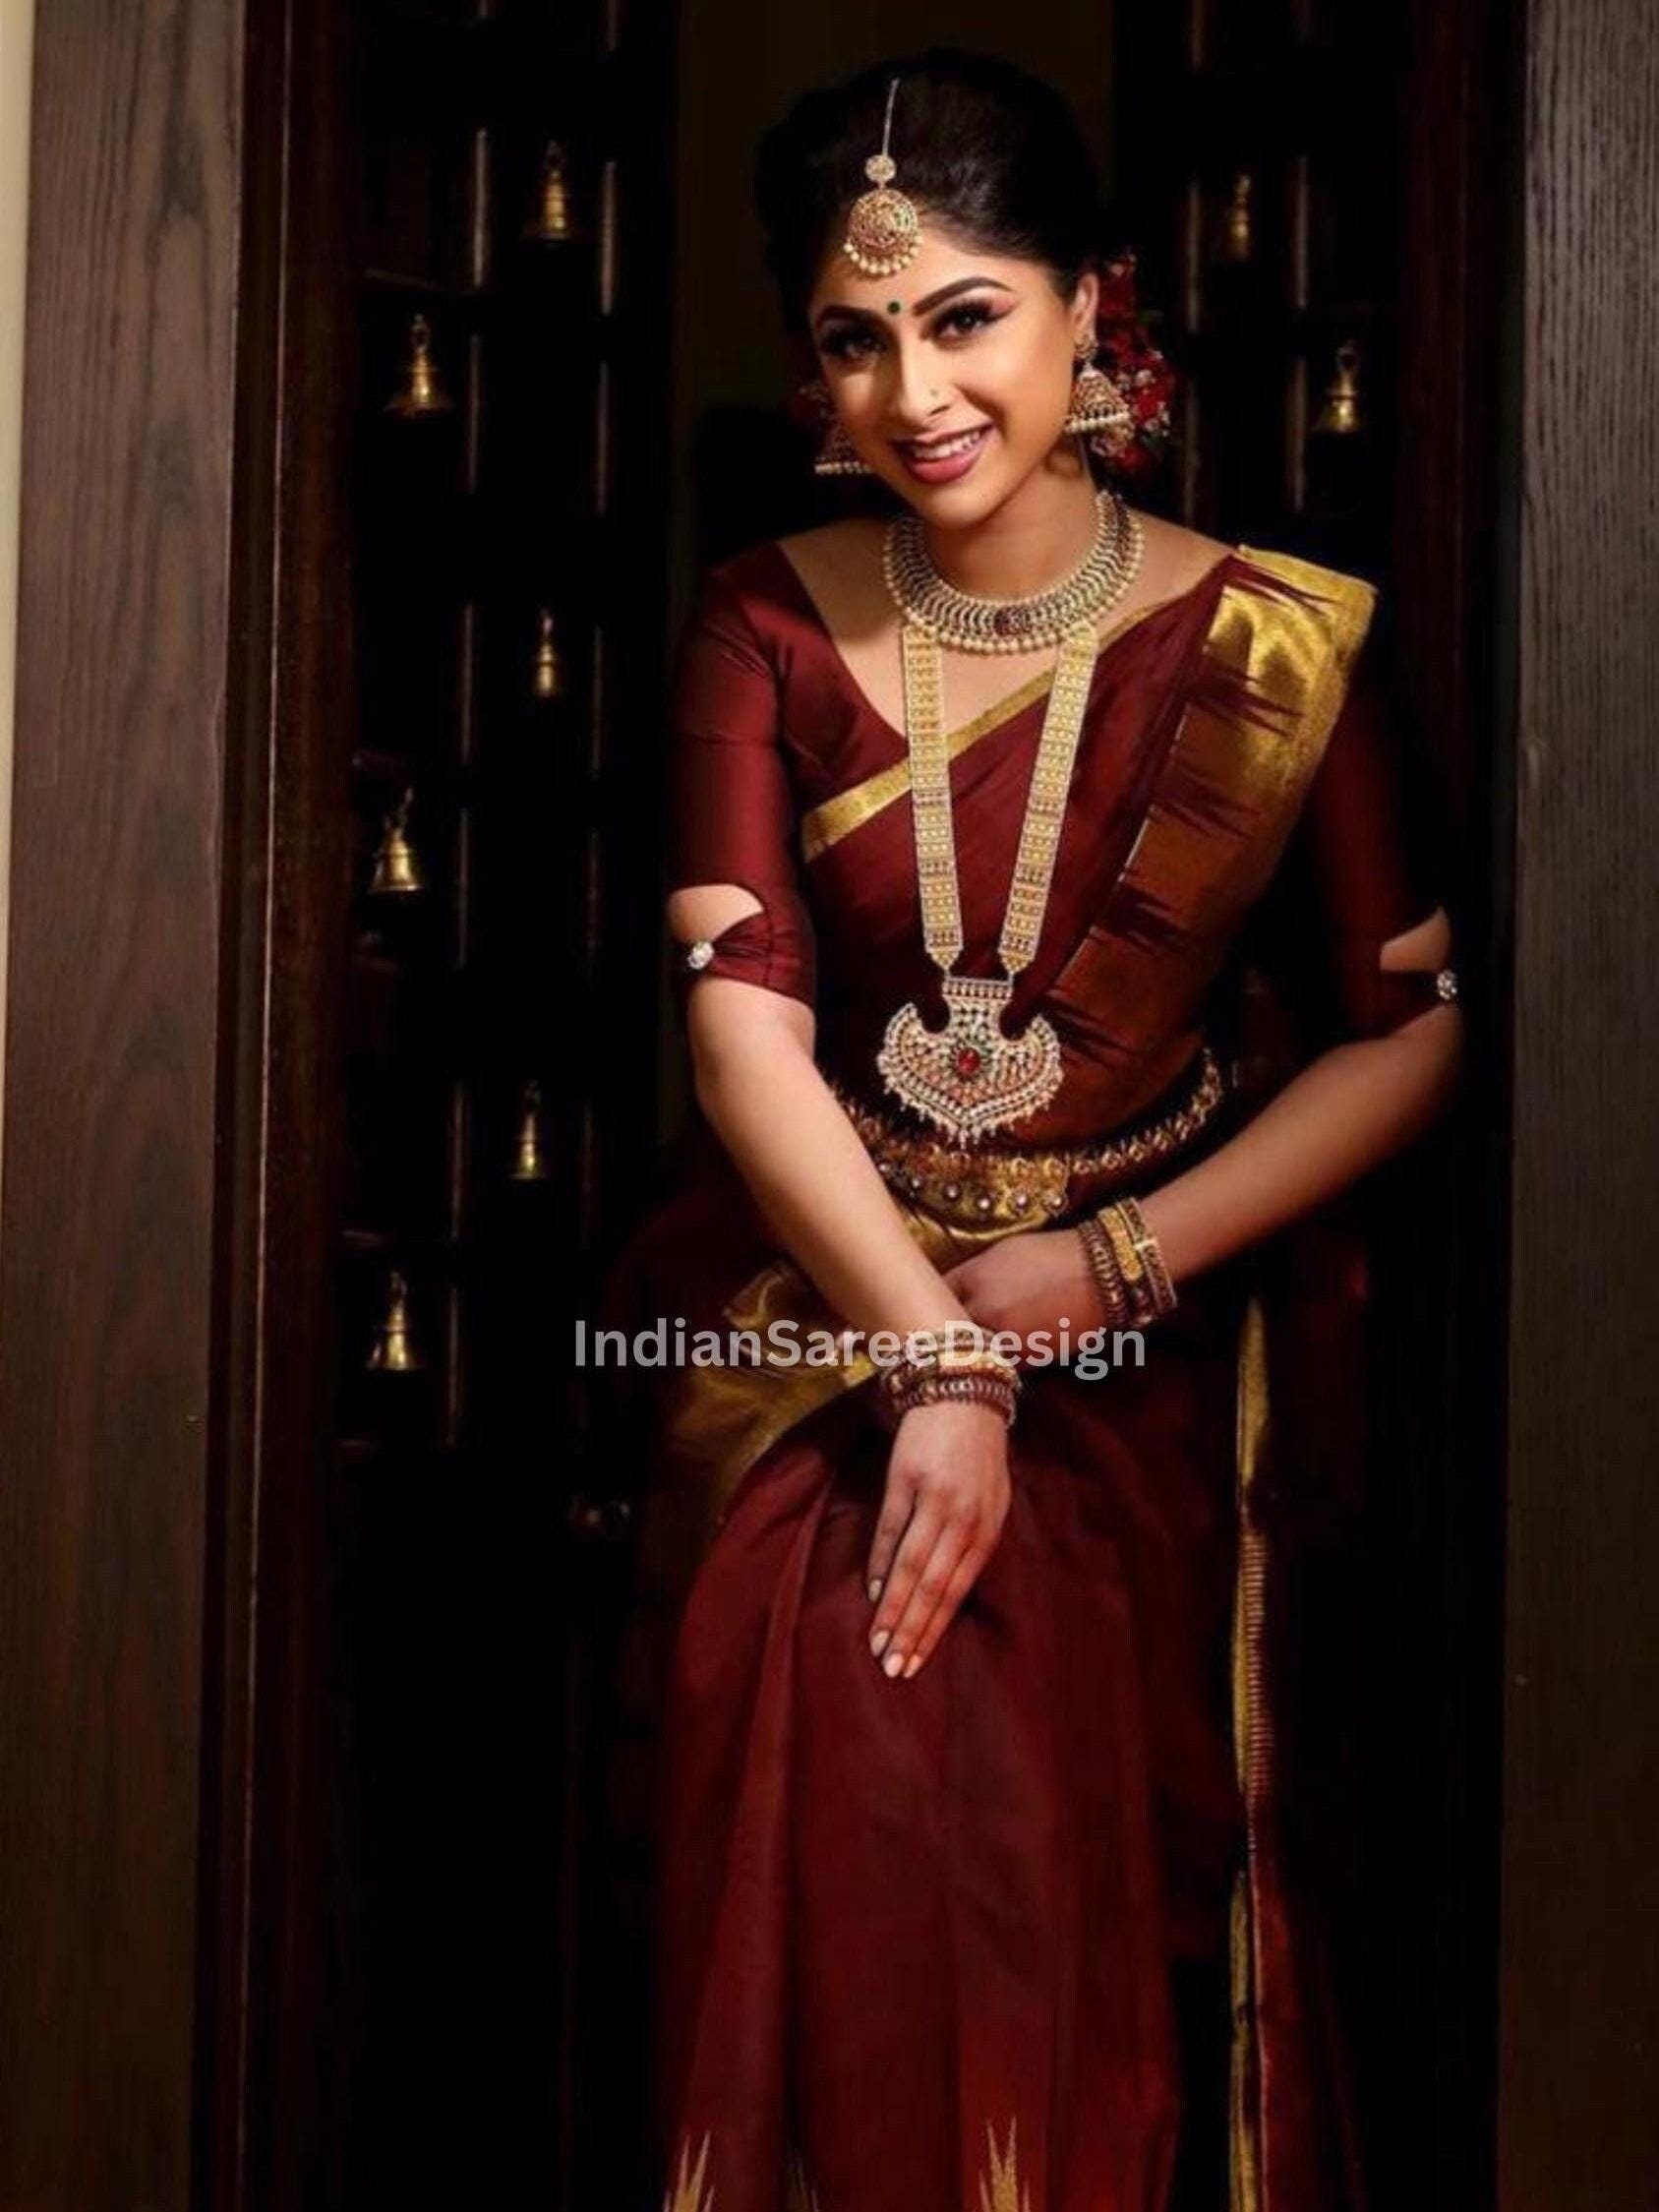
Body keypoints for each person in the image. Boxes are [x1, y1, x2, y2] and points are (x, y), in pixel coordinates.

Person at [597, 47, 1464, 2212]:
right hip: (828, 1307)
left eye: (966, 315)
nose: (915, 392)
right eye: (854, 338)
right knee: (829, 1650)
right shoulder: (769, 617)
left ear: (1096, 306)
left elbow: (1411, 1043)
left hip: (1137, 1328)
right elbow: (742, 1040)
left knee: (1039, 1732)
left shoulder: (1276, 643)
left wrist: (1108, 1265)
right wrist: (938, 1365)